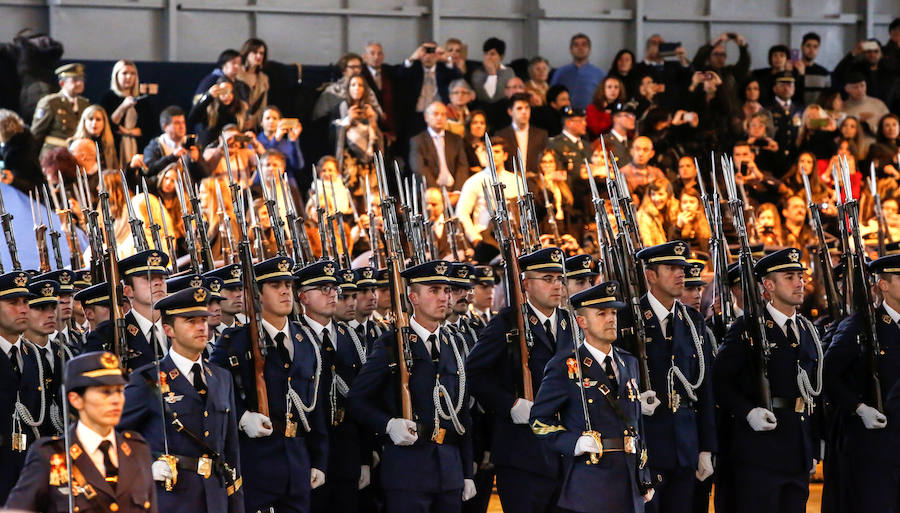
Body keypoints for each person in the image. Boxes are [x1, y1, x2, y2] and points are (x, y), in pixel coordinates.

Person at [348, 260, 476, 512]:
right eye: (434, 290)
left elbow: (462, 414)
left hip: (449, 467)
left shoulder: (456, 343)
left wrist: (467, 469)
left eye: (446, 290)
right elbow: (357, 400)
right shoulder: (391, 344)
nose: (444, 298)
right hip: (409, 470)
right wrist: (388, 425)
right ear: (413, 297)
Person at [210, 256, 327, 513]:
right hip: (256, 461)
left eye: (288, 283)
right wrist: (242, 418)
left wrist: (319, 459)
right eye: (275, 285)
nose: (286, 290)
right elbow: (215, 393)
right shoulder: (234, 342)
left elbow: (315, 404)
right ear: (257, 294)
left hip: (297, 460)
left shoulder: (306, 340)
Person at [530, 281, 655, 513]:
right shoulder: (565, 365)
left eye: (613, 313)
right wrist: (573, 443)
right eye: (602, 313)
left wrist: (643, 475)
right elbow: (539, 421)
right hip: (590, 482)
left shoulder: (628, 362)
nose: (611, 319)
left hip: (629, 480)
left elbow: (637, 425)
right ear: (582, 322)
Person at [714, 248, 822, 513]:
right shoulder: (748, 328)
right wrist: (748, 412)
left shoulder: (807, 329)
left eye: (800, 275)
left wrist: (816, 440)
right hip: (760, 449)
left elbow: (815, 391)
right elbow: (719, 382)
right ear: (769, 285)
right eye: (789, 276)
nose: (799, 282)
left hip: (797, 446)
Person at [466, 247, 573, 513]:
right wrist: (510, 405)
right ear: (526, 283)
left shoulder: (569, 324)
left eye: (559, 278)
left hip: (566, 454)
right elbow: (475, 373)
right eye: (547, 278)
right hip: (522, 455)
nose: (556, 285)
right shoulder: (507, 323)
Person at [119, 286, 244, 513]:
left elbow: (230, 450)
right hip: (171, 498)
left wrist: (235, 504)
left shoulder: (220, 377)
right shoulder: (147, 380)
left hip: (215, 498)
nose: (200, 327)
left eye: (203, 320)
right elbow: (114, 437)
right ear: (169, 330)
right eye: (190, 321)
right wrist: (145, 467)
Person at [5, 351, 158, 513]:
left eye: (119, 391)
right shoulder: (50, 455)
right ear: (76, 399)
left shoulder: (137, 450)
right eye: (105, 392)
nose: (116, 400)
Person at [633, 241, 716, 513]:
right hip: (645, 448)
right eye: (671, 268)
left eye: (681, 267)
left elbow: (703, 388)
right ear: (650, 275)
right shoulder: (628, 320)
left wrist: (706, 448)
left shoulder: (693, 321)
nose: (681, 274)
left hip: (685, 446)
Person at [292, 261, 371, 513]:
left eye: (333, 288)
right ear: (303, 296)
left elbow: (363, 399)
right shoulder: (295, 337)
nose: (331, 294)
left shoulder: (351, 337)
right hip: (309, 455)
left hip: (346, 453)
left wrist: (365, 458)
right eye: (322, 288)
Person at [824, 252, 900, 512]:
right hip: (876, 444)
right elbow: (829, 374)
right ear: (884, 285)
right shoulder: (861, 325)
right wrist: (858, 407)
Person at [83, 250, 171, 373]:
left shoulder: (179, 325)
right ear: (128, 291)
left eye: (162, 278)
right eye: (148, 278)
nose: (158, 283)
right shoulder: (107, 335)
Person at [456, 137, 518, 246]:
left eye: (497, 151)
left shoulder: (516, 180)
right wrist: (475, 238)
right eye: (488, 151)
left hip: (514, 237)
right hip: (486, 240)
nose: (492, 155)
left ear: (505, 155)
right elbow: (461, 213)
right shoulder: (474, 181)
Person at [397, 41, 462, 140]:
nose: (428, 56)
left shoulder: (443, 68)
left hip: (439, 115)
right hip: (417, 115)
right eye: (425, 51)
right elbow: (399, 75)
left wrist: (446, 59)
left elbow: (458, 76)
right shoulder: (414, 67)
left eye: (432, 51)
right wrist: (412, 58)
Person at [100, 60, 153, 167]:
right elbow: (107, 125)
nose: (129, 77)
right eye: (124, 73)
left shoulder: (142, 100)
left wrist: (129, 132)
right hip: (115, 149)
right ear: (116, 76)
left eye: (132, 73)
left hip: (138, 149)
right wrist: (123, 107)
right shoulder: (108, 98)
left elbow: (150, 128)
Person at [31, 63, 90, 158]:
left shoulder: (84, 104)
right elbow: (36, 134)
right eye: (74, 80)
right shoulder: (50, 102)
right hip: (53, 155)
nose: (79, 83)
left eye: (81, 79)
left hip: (76, 155)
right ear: (62, 83)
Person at [331, 74, 383, 180]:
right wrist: (348, 120)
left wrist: (373, 122)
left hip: (369, 164)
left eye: (360, 85)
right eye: (353, 85)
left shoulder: (370, 109)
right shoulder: (340, 108)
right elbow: (332, 135)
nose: (357, 88)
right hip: (348, 163)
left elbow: (379, 141)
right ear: (348, 88)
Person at [409, 102, 470, 191]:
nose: (439, 118)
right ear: (426, 117)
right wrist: (437, 193)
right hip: (430, 190)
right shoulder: (417, 141)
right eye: (435, 114)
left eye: (443, 114)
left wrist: (457, 191)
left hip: (454, 189)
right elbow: (419, 169)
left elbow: (462, 166)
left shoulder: (456, 139)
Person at [142, 106, 203, 181]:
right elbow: (148, 170)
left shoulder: (192, 144)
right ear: (165, 127)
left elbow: (205, 174)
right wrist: (173, 156)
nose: (182, 127)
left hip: (188, 189)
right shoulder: (154, 146)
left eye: (183, 122)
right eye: (177, 123)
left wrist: (196, 161)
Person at [495, 92, 549, 174]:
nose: (524, 112)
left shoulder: (541, 134)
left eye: (527, 108)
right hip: (510, 181)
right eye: (519, 108)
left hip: (535, 181)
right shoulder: (501, 135)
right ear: (510, 111)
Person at [550, 34, 606, 109]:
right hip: (564, 115)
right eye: (576, 45)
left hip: (591, 116)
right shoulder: (560, 73)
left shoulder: (600, 74)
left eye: (584, 45)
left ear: (589, 49)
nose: (580, 48)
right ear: (571, 49)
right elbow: (552, 96)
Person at [189, 78, 250, 148]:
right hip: (210, 148)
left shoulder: (240, 108)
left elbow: (244, 130)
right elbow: (192, 118)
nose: (227, 95)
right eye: (223, 91)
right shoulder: (210, 107)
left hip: (233, 148)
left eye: (230, 92)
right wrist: (208, 95)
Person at [256, 105, 305, 186]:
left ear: (280, 122)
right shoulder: (256, 142)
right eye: (268, 118)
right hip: (262, 184)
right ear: (261, 122)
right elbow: (264, 159)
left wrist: (293, 141)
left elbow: (299, 165)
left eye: (275, 118)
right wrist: (276, 140)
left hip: (286, 184)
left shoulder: (285, 143)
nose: (271, 121)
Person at [0, 108, 42, 192]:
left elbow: (30, 185)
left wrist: (12, 180)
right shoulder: (23, 137)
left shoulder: (18, 153)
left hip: (25, 194)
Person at [70, 104, 119, 171]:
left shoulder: (108, 142)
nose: (94, 123)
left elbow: (115, 168)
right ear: (84, 122)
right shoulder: (74, 143)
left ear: (104, 123)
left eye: (98, 119)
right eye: (90, 119)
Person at [236, 38, 270, 129]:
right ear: (246, 53)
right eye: (255, 52)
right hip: (235, 123)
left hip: (255, 126)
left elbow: (263, 106)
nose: (259, 56)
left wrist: (255, 120)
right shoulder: (236, 74)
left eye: (261, 53)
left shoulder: (264, 78)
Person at [470, 37, 515, 105]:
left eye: (492, 54)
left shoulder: (509, 72)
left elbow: (512, 94)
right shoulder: (477, 73)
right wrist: (492, 74)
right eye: (486, 53)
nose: (488, 57)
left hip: (507, 106)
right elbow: (487, 99)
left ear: (501, 56)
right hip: (485, 108)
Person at [619, 136, 666, 200]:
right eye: (637, 149)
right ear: (631, 151)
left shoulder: (657, 173)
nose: (641, 154)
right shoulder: (622, 173)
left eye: (645, 150)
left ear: (652, 153)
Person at [799, 33, 831, 106]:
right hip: (797, 113)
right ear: (802, 47)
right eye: (808, 46)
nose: (811, 50)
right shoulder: (794, 70)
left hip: (818, 113)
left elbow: (827, 98)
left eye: (815, 47)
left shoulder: (824, 73)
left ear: (818, 49)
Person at [603, 102, 636, 167]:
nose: (632, 118)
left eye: (633, 115)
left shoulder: (633, 142)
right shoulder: (604, 141)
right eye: (627, 115)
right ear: (616, 118)